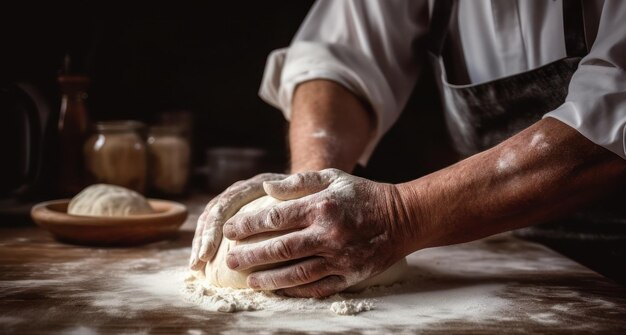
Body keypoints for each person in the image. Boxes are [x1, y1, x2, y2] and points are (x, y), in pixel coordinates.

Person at [189, 0, 626, 297]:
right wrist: (311, 192)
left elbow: (614, 110)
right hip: (518, 258)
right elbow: (336, 55)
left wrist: (400, 214)